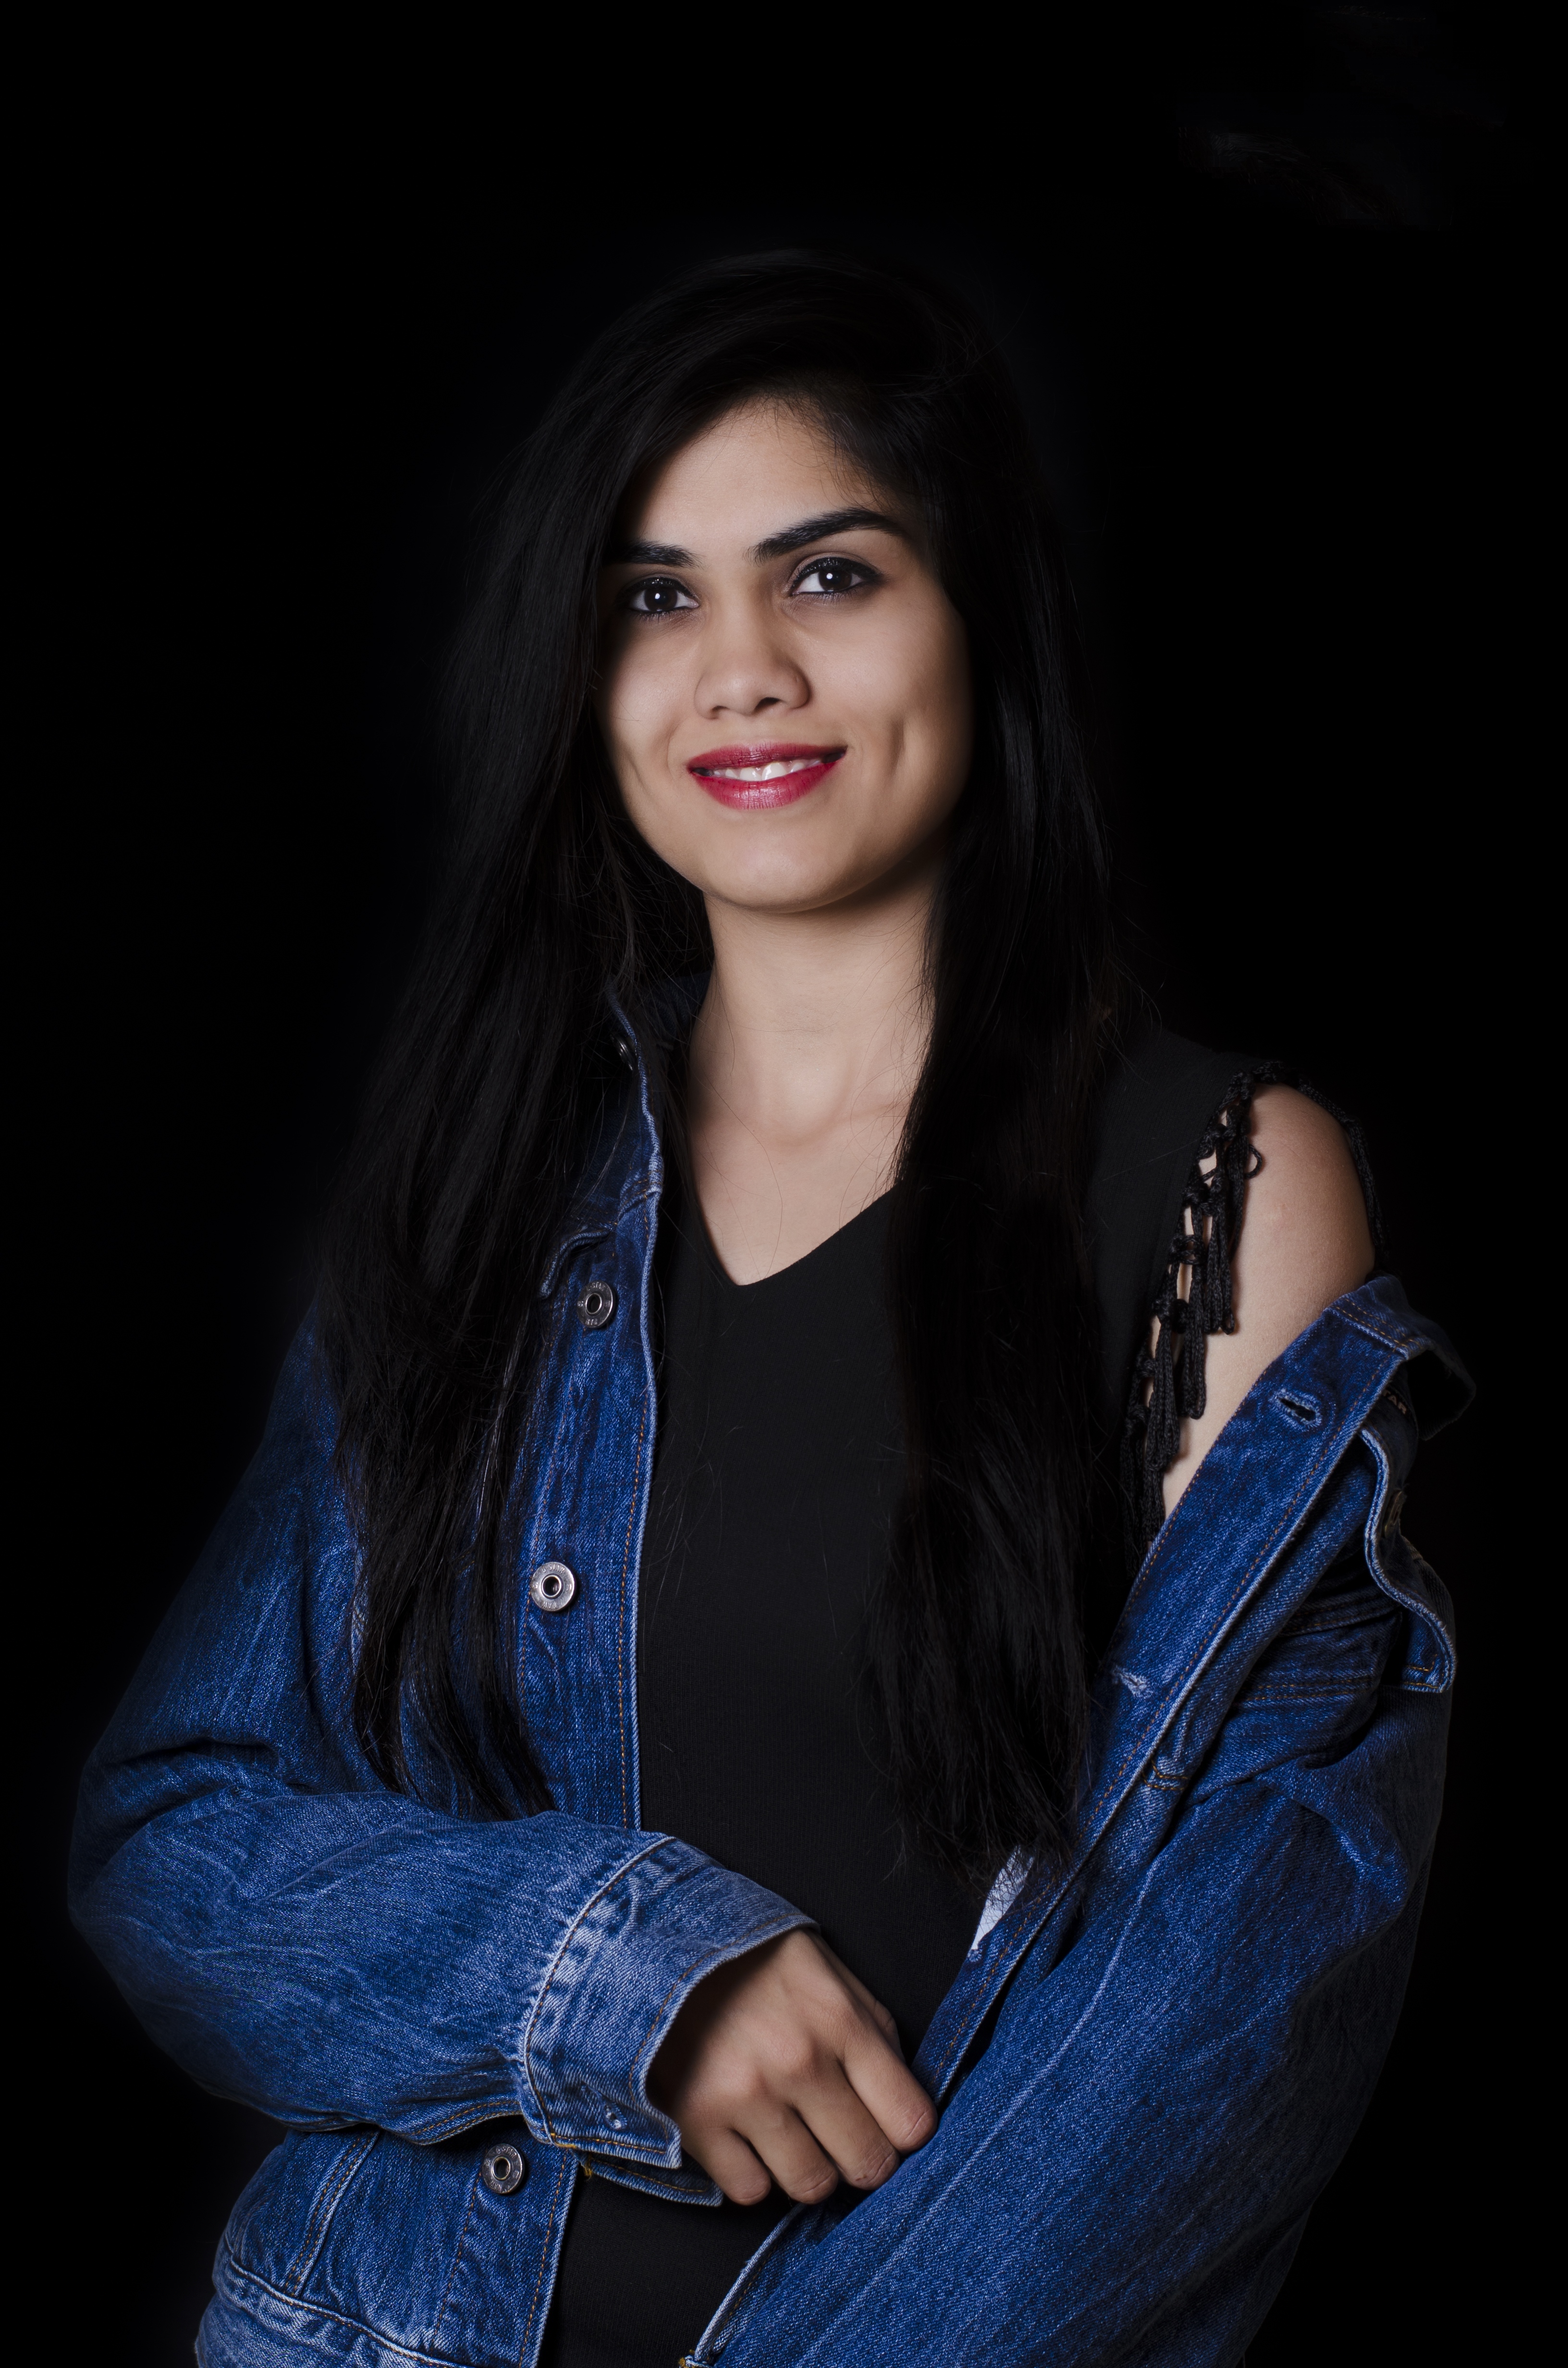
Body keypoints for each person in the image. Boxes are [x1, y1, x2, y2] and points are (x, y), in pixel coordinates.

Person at [70, 252, 1470, 2368]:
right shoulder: (479, 1194)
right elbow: (174, 1839)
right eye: (656, 597)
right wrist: (617, 1976)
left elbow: (1218, 2026)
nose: (741, 671)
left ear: (977, 613)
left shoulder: (1227, 1190)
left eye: (828, 575)